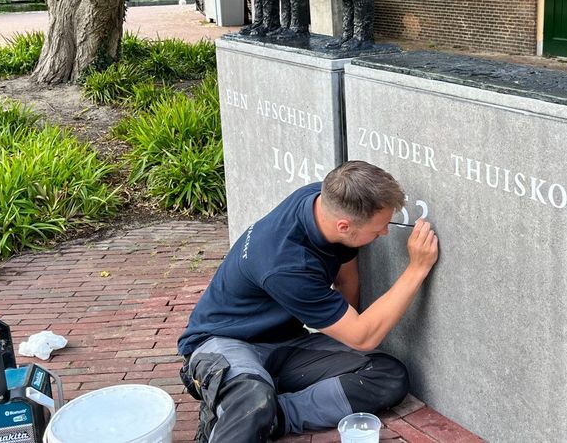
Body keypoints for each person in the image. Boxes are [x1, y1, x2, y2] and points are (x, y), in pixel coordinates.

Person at [178, 161, 440, 442]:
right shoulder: (286, 265)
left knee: (386, 375)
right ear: (344, 225)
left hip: (285, 344)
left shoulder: (323, 199)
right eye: (378, 229)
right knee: (251, 397)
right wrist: (416, 269)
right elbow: (364, 337)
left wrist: (342, 345)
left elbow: (345, 280)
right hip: (222, 341)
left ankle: (271, 417)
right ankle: (248, 406)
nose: (385, 233)